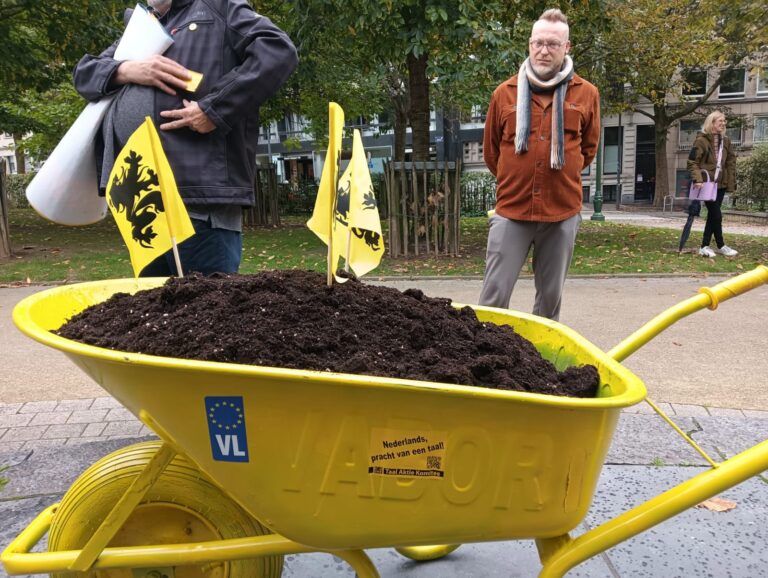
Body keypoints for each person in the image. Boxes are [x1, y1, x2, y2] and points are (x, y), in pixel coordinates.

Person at [74, 0, 298, 275]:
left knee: (206, 311)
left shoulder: (219, 7)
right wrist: (126, 70)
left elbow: (277, 51)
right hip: (142, 202)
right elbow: (84, 75)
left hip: (199, 202)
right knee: (154, 313)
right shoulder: (144, 27)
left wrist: (214, 110)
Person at [478, 8, 599, 321]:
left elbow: (587, 149)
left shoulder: (587, 94)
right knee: (493, 297)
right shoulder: (504, 94)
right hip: (512, 211)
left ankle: (539, 363)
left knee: (549, 301)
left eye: (553, 44)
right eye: (538, 43)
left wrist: (559, 171)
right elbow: (492, 153)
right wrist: (516, 174)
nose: (544, 50)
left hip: (561, 212)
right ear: (530, 44)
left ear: (566, 47)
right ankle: (486, 361)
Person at [687, 111, 738, 258]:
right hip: (707, 184)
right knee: (717, 215)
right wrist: (698, 179)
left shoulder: (726, 141)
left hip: (720, 185)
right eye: (720, 121)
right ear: (712, 123)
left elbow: (730, 162)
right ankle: (721, 245)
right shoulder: (701, 141)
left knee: (712, 216)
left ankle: (704, 246)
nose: (723, 123)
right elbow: (692, 162)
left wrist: (730, 182)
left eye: (724, 121)